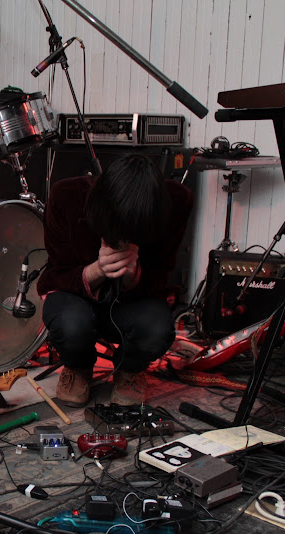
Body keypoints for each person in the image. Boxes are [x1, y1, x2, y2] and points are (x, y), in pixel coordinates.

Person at [37, 153, 192, 407]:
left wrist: (134, 275)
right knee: (70, 324)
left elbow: (162, 273)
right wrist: (97, 270)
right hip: (76, 299)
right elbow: (57, 273)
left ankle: (129, 370)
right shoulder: (66, 197)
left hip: (132, 305)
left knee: (157, 329)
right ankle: (77, 367)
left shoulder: (176, 203)